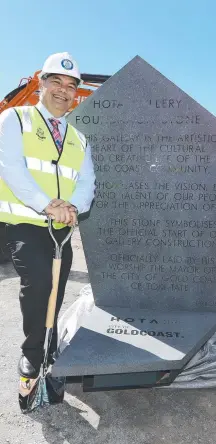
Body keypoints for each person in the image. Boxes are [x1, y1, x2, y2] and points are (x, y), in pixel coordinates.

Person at [0, 52, 95, 380]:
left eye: (70, 85)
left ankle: (49, 342)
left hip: (60, 229)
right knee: (39, 282)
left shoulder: (79, 138)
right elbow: (11, 167)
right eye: (56, 81)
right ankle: (33, 353)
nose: (63, 90)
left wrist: (73, 207)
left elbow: (87, 182)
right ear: (41, 84)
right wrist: (47, 203)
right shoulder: (15, 118)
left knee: (57, 285)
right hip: (23, 223)